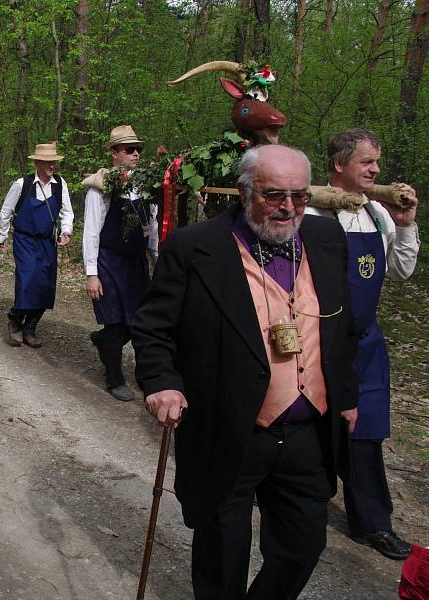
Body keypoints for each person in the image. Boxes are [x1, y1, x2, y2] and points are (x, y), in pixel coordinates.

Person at [133, 144, 359, 600]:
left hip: (308, 431)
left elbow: (344, 330)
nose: (289, 207)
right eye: (275, 195)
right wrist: (162, 383)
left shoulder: (327, 240)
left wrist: (348, 394)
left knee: (303, 545)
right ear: (244, 191)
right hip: (230, 428)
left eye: (299, 196)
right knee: (221, 550)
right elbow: (154, 327)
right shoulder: (195, 248)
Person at [305, 129, 420, 560]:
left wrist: (407, 228)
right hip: (320, 337)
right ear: (339, 165)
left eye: (377, 162)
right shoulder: (311, 212)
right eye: (366, 162)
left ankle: (371, 523)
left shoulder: (378, 214)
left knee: (366, 431)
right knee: (307, 421)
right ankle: (289, 496)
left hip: (366, 341)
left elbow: (401, 272)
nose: (375, 170)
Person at [82, 125, 157, 401]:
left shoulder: (146, 186)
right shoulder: (101, 188)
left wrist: (157, 262)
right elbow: (91, 232)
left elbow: (153, 229)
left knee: (139, 322)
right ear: (114, 153)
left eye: (138, 149)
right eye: (129, 149)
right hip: (109, 262)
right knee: (115, 322)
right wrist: (92, 274)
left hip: (136, 264)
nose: (136, 153)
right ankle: (114, 378)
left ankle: (145, 376)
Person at [0, 142, 74, 348]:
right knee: (28, 279)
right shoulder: (23, 184)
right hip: (25, 240)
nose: (52, 166)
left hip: (48, 240)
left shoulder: (60, 183)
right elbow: (6, 211)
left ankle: (30, 327)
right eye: (47, 162)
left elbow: (67, 211)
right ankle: (15, 320)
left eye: (54, 162)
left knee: (46, 285)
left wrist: (66, 230)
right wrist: (2, 236)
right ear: (37, 162)